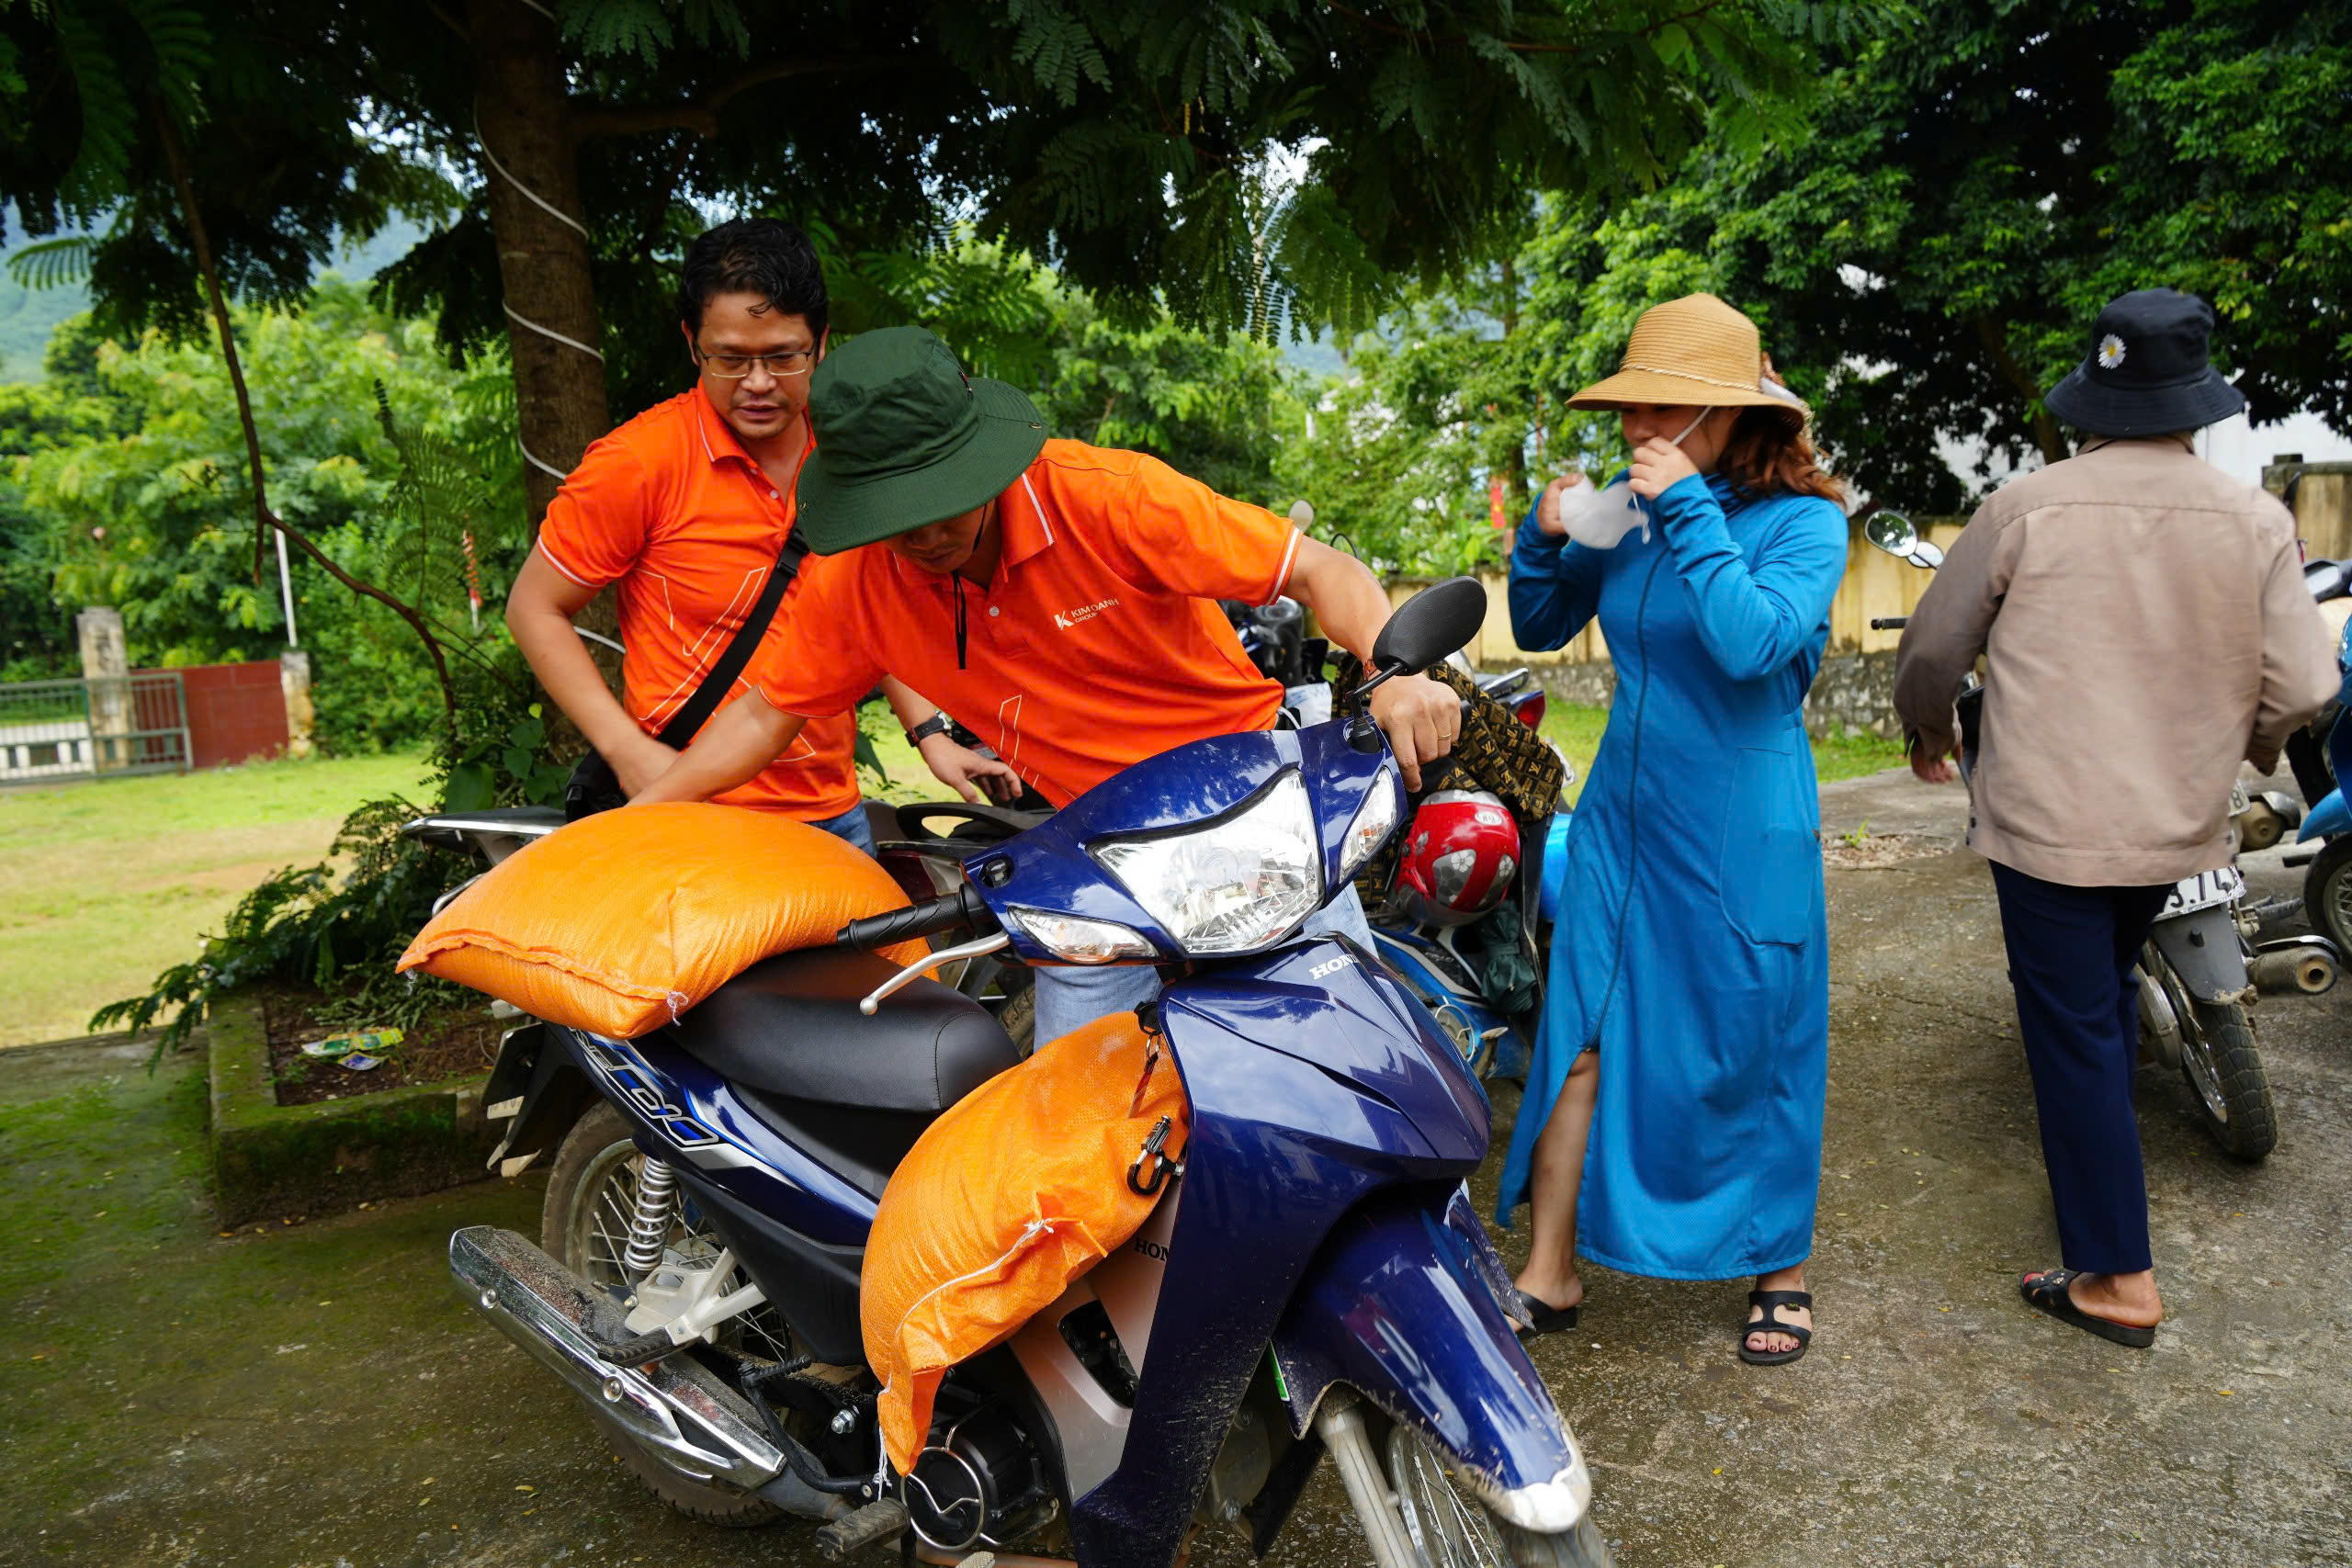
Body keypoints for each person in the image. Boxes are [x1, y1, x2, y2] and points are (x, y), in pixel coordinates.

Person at [634, 325, 1462, 1040]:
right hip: (1095, 858)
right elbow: (765, 713)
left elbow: (1316, 570)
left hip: (1249, 813)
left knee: (1345, 1063)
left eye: (940, 497)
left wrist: (1395, 668)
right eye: (893, 514)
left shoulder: (1108, 498)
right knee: (1077, 1123)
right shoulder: (853, 583)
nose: (924, 534)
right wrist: (647, 811)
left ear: (980, 462)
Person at [1893, 288, 2335, 1349]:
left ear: (2093, 399)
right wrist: (2249, 746)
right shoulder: (2255, 520)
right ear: (2193, 403)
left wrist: (1928, 729)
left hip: (2044, 828)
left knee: (2074, 1032)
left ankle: (2117, 1278)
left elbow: (1932, 651)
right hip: (2175, 822)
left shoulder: (2024, 507)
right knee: (2103, 994)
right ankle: (2110, 1207)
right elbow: (2306, 682)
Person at [1498, 293, 1848, 1365]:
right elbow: (1540, 621)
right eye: (1630, 406)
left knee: (1752, 1038)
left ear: (1731, 415)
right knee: (1580, 1029)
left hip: (1742, 828)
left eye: (1663, 407)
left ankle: (1777, 1265)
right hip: (1623, 822)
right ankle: (1549, 1271)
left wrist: (1689, 509)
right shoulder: (1630, 511)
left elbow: (1752, 645)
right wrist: (1542, 534)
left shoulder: (1805, 525)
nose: (1638, 427)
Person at [504, 219, 1012, 853]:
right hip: (690, 811)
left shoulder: (851, 456)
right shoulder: (640, 463)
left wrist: (930, 733)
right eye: (731, 359)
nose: (758, 383)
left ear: (820, 343)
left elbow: (868, 606)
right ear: (692, 344)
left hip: (833, 812)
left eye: (782, 356)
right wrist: (626, 751)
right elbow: (533, 608)